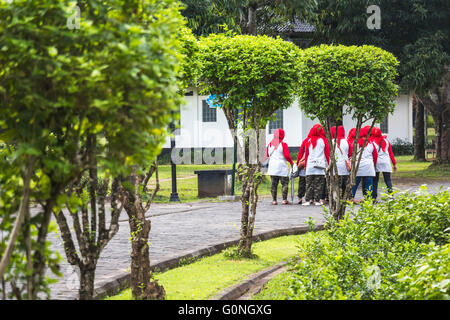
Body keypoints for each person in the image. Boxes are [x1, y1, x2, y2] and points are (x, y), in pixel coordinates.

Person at [298, 124, 330, 206]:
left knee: (309, 184)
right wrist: (329, 164)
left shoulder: (308, 141)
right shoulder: (324, 140)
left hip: (310, 165)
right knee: (319, 184)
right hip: (320, 165)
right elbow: (327, 154)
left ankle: (308, 200)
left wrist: (305, 165)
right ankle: (317, 200)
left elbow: (307, 154)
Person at [265, 128, 296, 205]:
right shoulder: (283, 144)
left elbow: (267, 155)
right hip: (281, 166)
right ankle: (284, 200)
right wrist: (292, 163)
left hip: (272, 167)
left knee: (273, 184)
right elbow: (287, 156)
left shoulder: (269, 144)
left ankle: (274, 200)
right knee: (284, 183)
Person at [350, 126, 378, 201]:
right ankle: (369, 198)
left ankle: (351, 197)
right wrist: (374, 164)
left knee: (355, 183)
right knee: (369, 183)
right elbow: (375, 155)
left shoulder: (355, 142)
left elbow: (350, 153)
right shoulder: (370, 143)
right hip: (369, 165)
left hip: (358, 165)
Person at [371, 127, 397, 199]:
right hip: (386, 162)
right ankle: (391, 195)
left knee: (375, 181)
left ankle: (374, 197)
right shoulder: (386, 141)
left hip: (377, 162)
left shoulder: (372, 141)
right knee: (388, 180)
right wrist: (394, 164)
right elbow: (391, 153)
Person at [331, 125, 350, 197]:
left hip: (334, 166)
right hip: (344, 166)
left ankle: (335, 197)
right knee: (344, 184)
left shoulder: (331, 142)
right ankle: (344, 197)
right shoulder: (346, 141)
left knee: (335, 184)